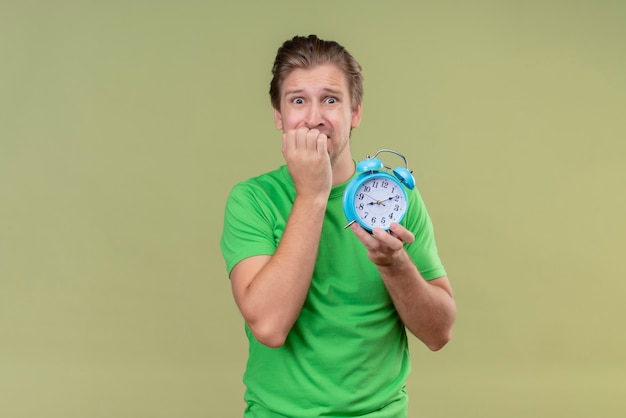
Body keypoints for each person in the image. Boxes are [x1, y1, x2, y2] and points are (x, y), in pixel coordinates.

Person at [220, 34, 456, 417]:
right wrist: (313, 194)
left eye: (331, 99)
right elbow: (270, 326)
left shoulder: (395, 197)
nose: (314, 117)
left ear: (356, 112)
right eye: (298, 101)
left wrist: (394, 264)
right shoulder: (253, 200)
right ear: (279, 116)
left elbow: (439, 332)